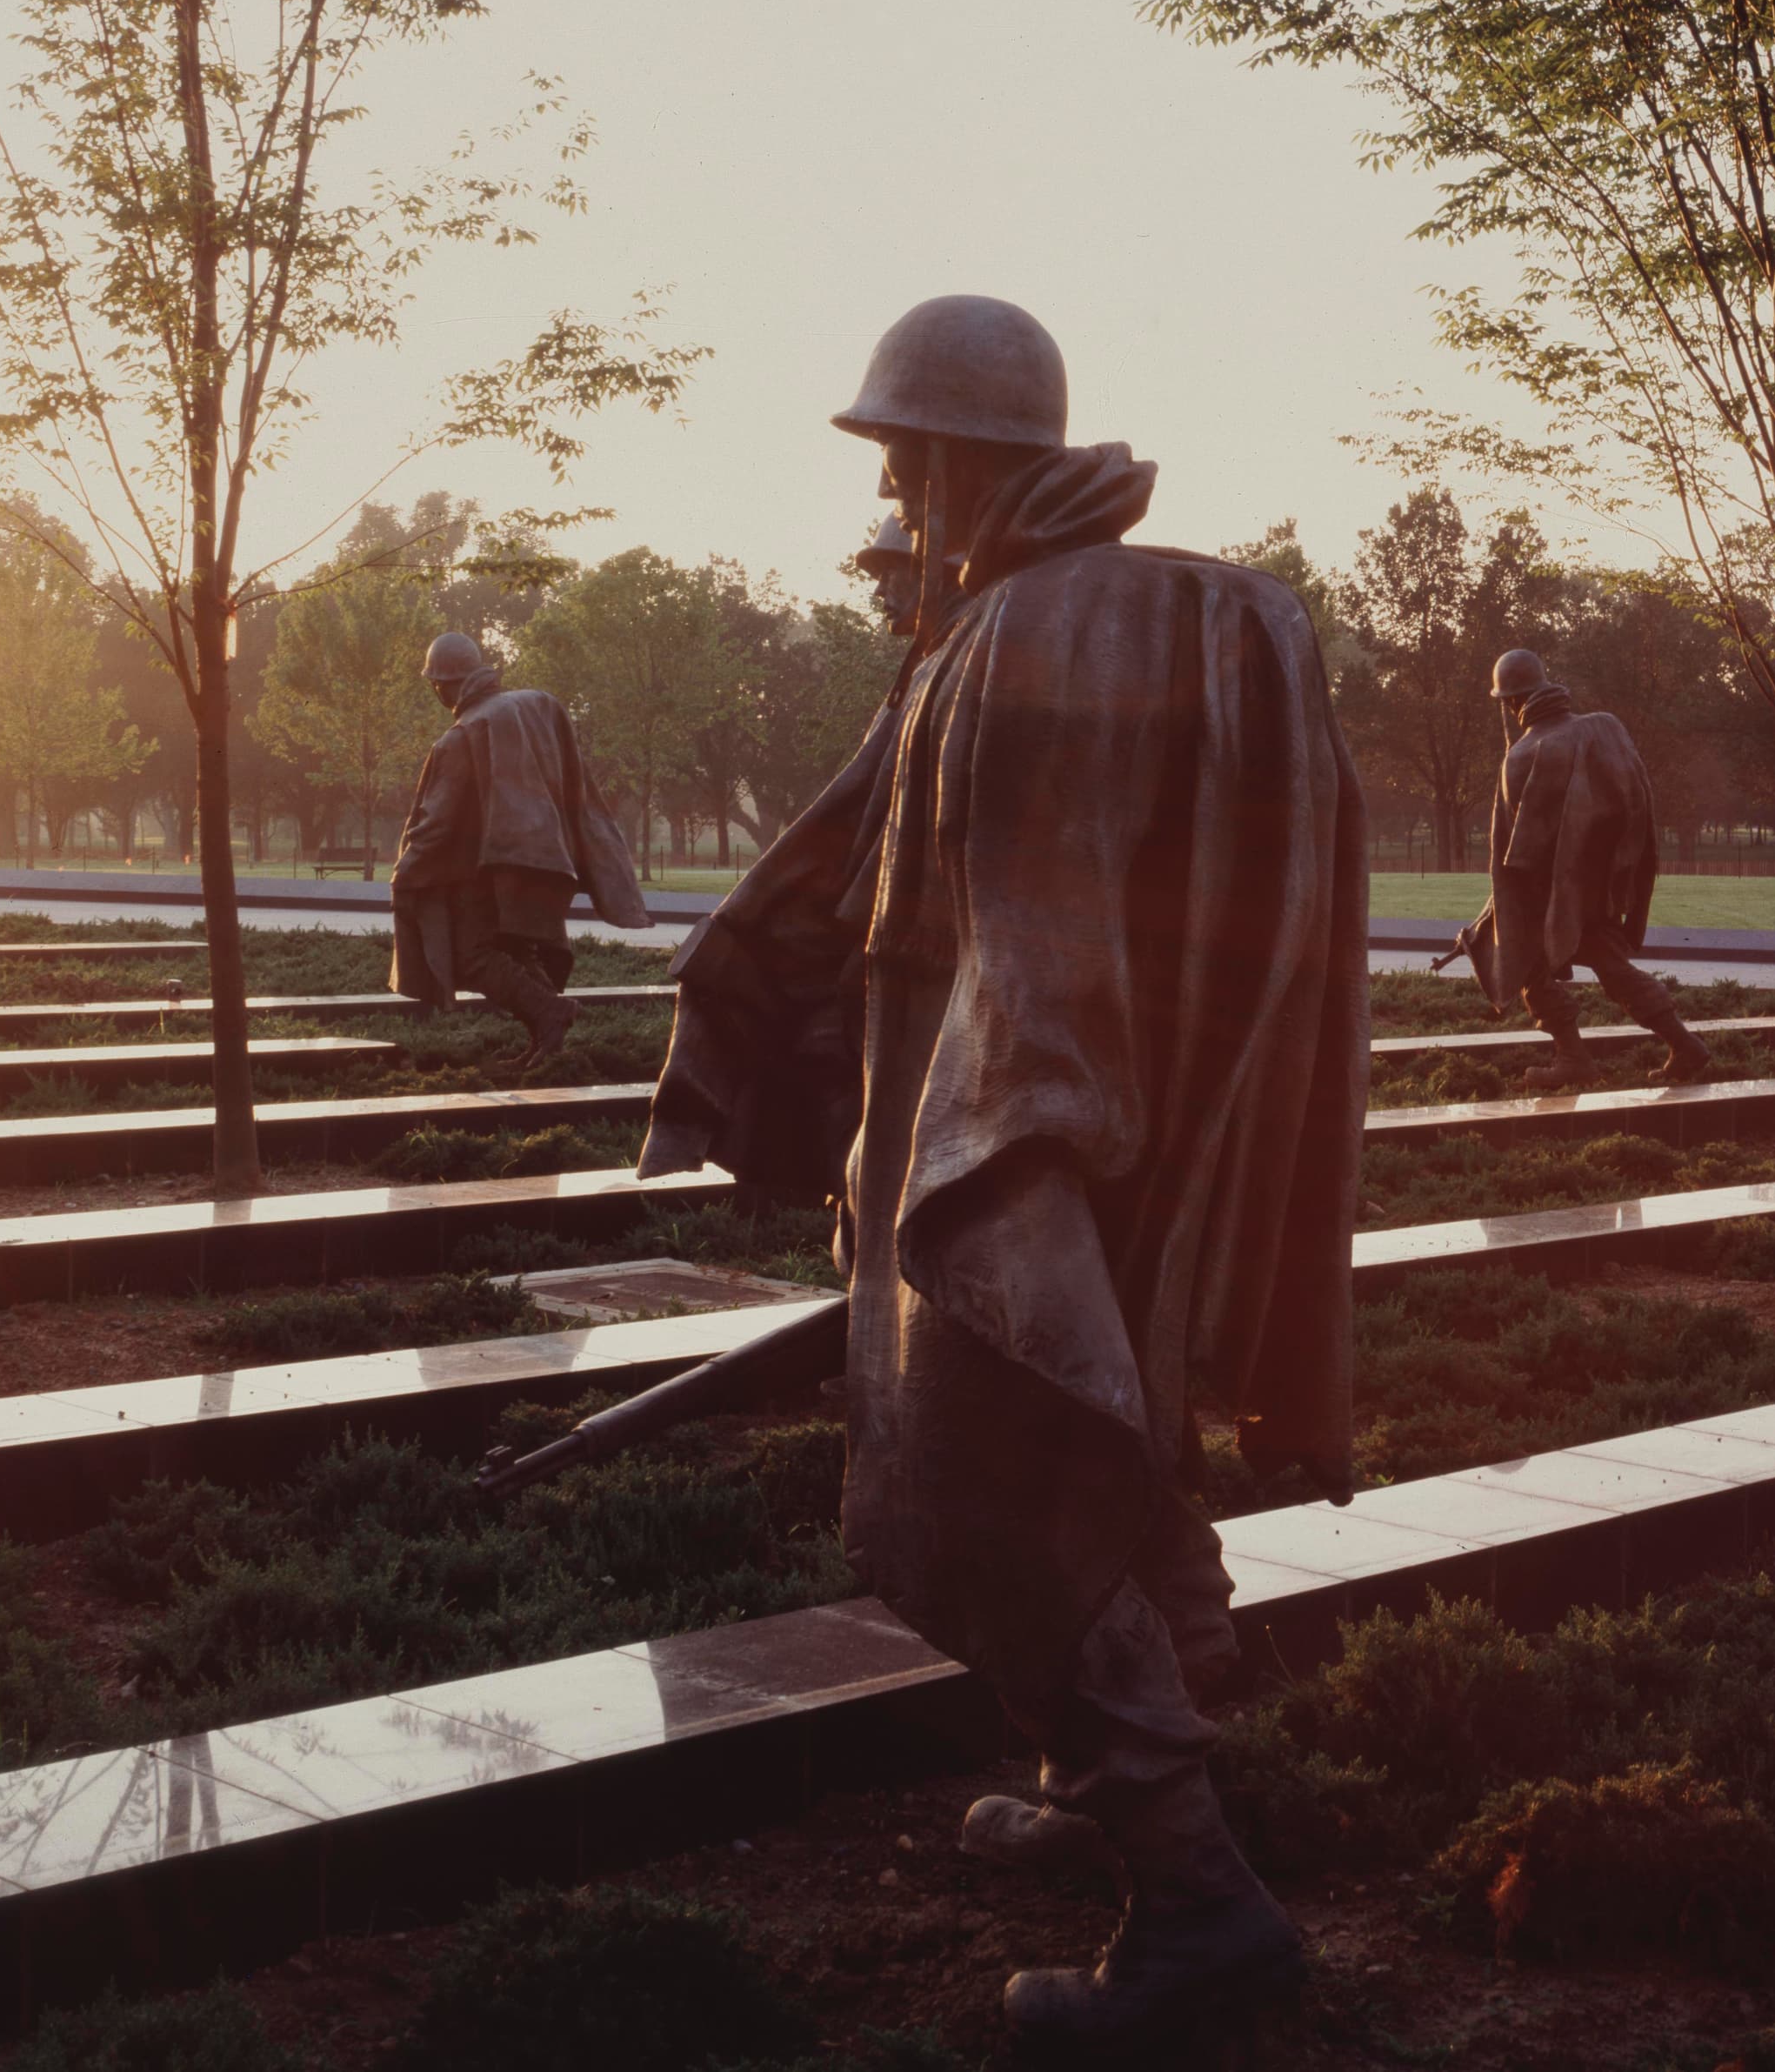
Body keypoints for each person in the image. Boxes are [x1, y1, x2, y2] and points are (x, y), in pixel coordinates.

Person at [521, 297, 1362, 2050]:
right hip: (1070, 1125)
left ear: (961, 454)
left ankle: (1199, 1896)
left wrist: (999, 1168)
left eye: (906, 456)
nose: (896, 490)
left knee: (993, 1475)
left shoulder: (1032, 640)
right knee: (1111, 1436)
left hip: (1016, 1137)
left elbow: (1033, 949)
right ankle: (1107, 1763)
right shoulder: (1020, 622)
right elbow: (868, 873)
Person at [386, 632, 652, 1067]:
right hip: (537, 859)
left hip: (487, 871)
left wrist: (405, 873)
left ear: (440, 684)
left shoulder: (461, 736)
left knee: (475, 956)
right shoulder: (529, 706)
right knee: (514, 947)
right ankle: (546, 1038)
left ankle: (550, 1013)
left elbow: (434, 826)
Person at [1454, 647, 1710, 1090]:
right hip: (1600, 886)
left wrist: (1497, 920)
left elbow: (1523, 859)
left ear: (1510, 701)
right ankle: (1684, 1046)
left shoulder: (1523, 755)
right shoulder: (1604, 727)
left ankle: (1575, 1059)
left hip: (1552, 895)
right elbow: (1631, 807)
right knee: (1612, 966)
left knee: (1527, 961)